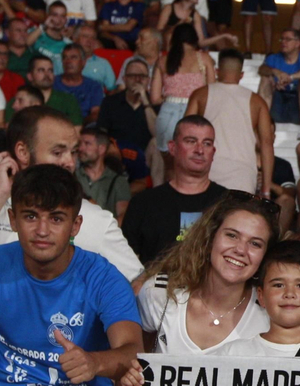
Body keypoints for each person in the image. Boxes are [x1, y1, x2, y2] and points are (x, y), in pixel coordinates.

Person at [0, 163, 142, 386]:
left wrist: (94, 362)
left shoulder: (104, 278)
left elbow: (133, 351)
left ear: (75, 225)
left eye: (56, 218)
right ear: (12, 220)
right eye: (31, 216)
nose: (42, 230)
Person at [0, 105, 142, 281]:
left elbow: (138, 283)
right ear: (22, 152)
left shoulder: (94, 218)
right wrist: (0, 194)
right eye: (58, 152)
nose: (70, 163)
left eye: (73, 152)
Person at [137, 191, 276, 354]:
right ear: (210, 238)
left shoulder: (270, 314)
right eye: (231, 235)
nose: (240, 249)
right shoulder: (159, 293)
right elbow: (136, 363)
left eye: (255, 243)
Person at [122, 115, 228, 266]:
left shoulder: (228, 203)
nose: (199, 150)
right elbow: (125, 262)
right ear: (172, 148)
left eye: (207, 143)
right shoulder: (143, 203)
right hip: (153, 286)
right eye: (191, 141)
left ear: (213, 152)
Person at [185, 48, 275, 198]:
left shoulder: (201, 94)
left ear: (217, 71)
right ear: (241, 75)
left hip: (204, 171)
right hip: (242, 176)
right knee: (235, 220)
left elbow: (186, 134)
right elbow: (267, 144)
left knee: (199, 220)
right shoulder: (257, 102)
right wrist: (265, 190)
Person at [97, 59, 156, 186]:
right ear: (124, 78)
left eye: (142, 76)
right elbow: (101, 133)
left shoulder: (154, 103)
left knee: (157, 143)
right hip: (118, 154)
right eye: (132, 76)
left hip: (146, 157)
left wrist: (145, 101)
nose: (138, 80)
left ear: (148, 80)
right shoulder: (110, 102)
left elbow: (157, 133)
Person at [258, 28, 300, 126]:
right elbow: (261, 69)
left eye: (288, 39)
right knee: (266, 78)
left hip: (297, 100)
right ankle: (262, 124)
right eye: (282, 39)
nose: (283, 42)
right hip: (277, 97)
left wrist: (291, 77)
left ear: (298, 43)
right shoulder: (273, 58)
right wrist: (275, 71)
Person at [76, 124, 131, 219]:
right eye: (79, 144)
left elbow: (123, 215)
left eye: (87, 143)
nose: (80, 148)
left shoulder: (118, 181)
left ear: (101, 149)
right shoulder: (72, 176)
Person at [54, 45, 104, 126]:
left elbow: (95, 114)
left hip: (84, 127)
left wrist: (77, 125)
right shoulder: (52, 82)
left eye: (73, 57)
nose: (68, 61)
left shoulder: (93, 86)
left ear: (83, 62)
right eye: (65, 58)